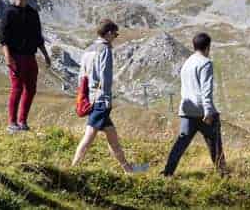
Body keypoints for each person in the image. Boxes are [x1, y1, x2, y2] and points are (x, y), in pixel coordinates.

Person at [71, 19, 147, 174]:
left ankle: (128, 169)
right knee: (89, 136)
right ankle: (73, 168)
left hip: (91, 97)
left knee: (112, 137)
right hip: (100, 100)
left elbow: (81, 76)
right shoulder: (105, 49)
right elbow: (105, 76)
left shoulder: (88, 49)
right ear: (109, 33)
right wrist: (106, 99)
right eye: (115, 34)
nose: (115, 37)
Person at [161, 32, 227, 177]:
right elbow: (206, 89)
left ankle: (167, 172)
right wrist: (208, 111)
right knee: (215, 144)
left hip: (186, 111)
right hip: (202, 111)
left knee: (180, 143)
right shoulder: (205, 63)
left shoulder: (187, 63)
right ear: (208, 47)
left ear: (194, 46)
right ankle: (223, 175)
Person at [0, 0, 51, 133]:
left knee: (31, 89)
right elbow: (3, 38)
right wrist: (7, 57)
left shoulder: (33, 13)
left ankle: (23, 121)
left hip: (30, 56)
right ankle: (12, 122)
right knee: (17, 88)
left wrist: (45, 55)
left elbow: (38, 37)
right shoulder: (9, 13)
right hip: (15, 56)